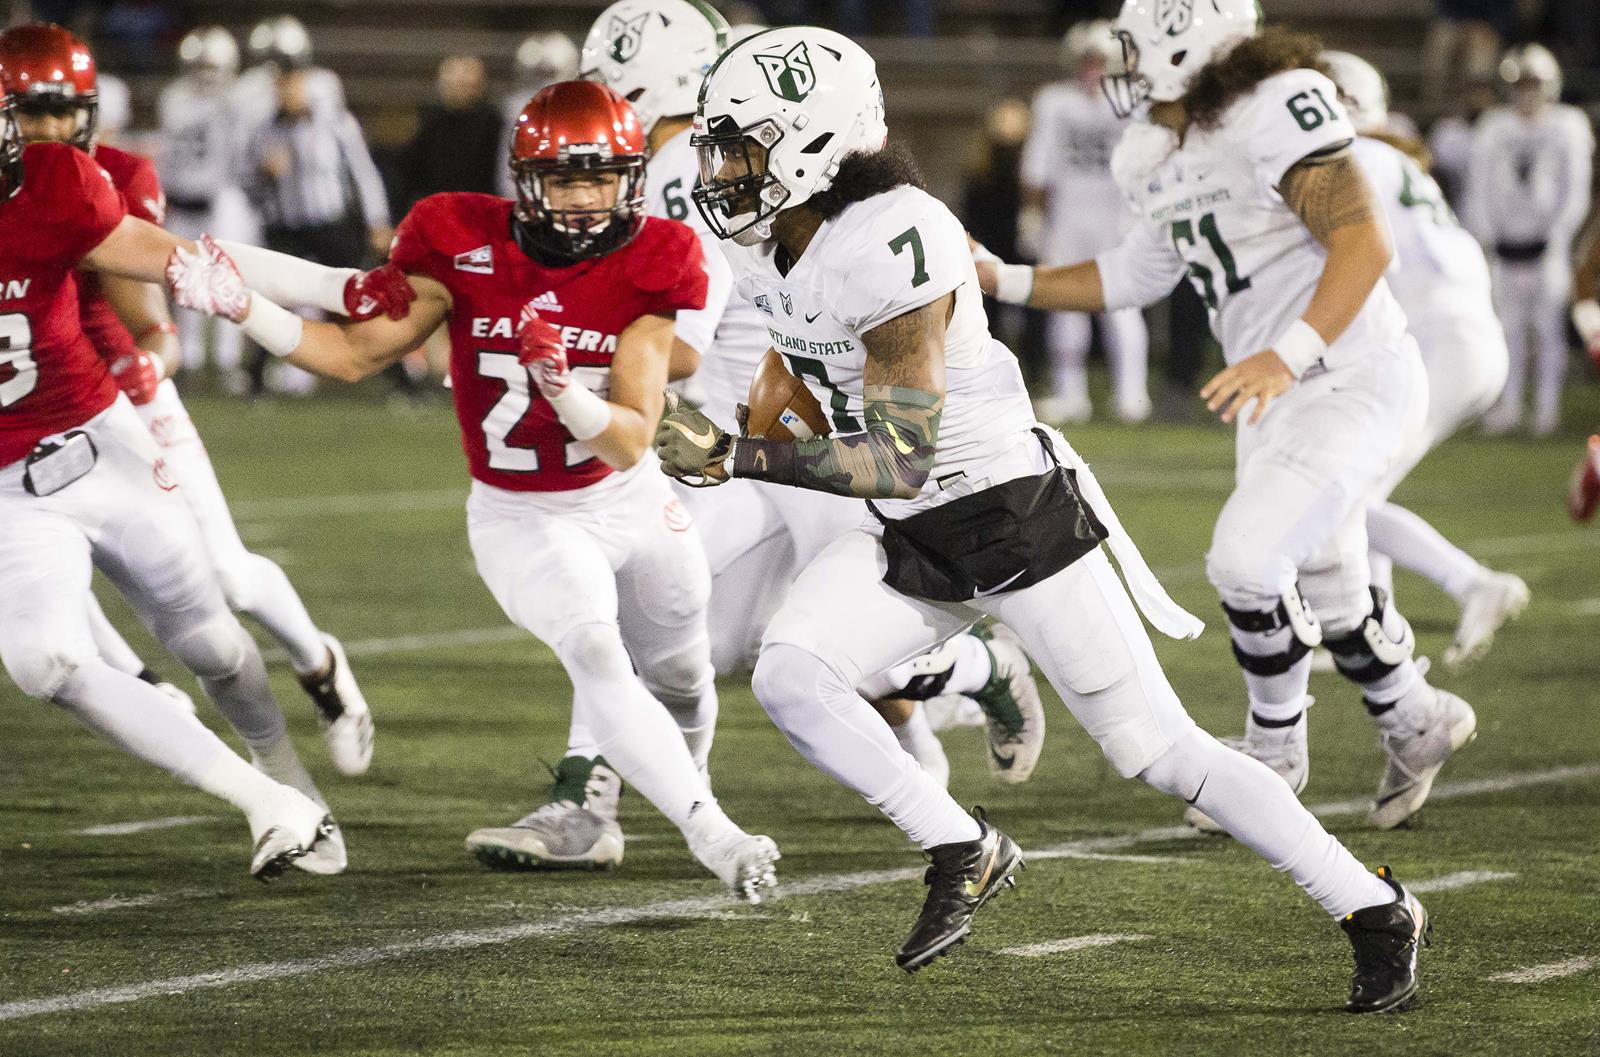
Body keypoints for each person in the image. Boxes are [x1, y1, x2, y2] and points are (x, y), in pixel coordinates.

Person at [657, 25, 1431, 1011]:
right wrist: (721, 426)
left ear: (813, 139)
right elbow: (794, 367)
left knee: (1160, 753)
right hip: (914, 537)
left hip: (1010, 521)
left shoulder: (898, 233)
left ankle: (1371, 906)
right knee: (792, 672)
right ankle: (959, 845)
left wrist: (740, 456)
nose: (723, 168)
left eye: (743, 143)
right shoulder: (777, 240)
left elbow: (899, 453)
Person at [171, 81, 782, 904]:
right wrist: (246, 305)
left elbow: (634, 433)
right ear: (526, 182)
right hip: (525, 514)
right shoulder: (463, 241)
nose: (585, 198)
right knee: (599, 650)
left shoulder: (656, 254)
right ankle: (712, 830)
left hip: (628, 496)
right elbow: (353, 352)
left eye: (602, 178)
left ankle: (688, 778)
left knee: (682, 674)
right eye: (566, 180)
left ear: (631, 179)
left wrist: (562, 388)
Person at [580, 0, 1045, 808]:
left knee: (801, 634)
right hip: (743, 438)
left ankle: (583, 796)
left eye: (607, 82)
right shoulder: (694, 167)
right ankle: (933, 718)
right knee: (722, 629)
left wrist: (575, 363)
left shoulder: (706, 176)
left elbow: (690, 335)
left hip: (785, 439)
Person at [0, 27, 366, 881]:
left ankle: (282, 761)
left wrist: (324, 291)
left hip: (103, 441)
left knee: (212, 643)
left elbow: (182, 261)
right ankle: (267, 802)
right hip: (10, 494)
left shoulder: (53, 183)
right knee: (42, 659)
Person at [1320, 50, 1528, 669]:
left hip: (1438, 338)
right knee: (1359, 490)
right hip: (1465, 335)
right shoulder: (1392, 157)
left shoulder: (1354, 161)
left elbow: (1353, 263)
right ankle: (1373, 629)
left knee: (1343, 497)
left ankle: (1472, 584)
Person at [1020, 19, 1149, 423]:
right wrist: (1032, 215)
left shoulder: (1137, 101)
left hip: (1119, 216)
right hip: (1069, 216)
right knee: (1065, 304)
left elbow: (1150, 162)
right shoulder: (1055, 101)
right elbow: (1037, 165)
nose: (1093, 70)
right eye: (1087, 61)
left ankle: (1132, 394)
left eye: (1101, 61)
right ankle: (1069, 393)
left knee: (1123, 304)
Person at [241, 60, 392, 397]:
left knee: (361, 294)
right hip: (287, 228)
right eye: (282, 86)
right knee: (271, 302)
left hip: (329, 225)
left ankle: (400, 374)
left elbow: (364, 174)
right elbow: (247, 185)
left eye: (293, 84)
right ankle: (256, 379)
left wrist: (377, 220)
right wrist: (264, 174)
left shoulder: (336, 124)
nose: (287, 93)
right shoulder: (265, 131)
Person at [1464, 44, 1593, 436]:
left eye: (1534, 82)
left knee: (1548, 329)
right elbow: (1478, 186)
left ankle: (1546, 409)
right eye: (1521, 83)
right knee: (1507, 330)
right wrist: (1486, 235)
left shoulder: (1568, 124)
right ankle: (1509, 405)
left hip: (1546, 244)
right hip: (1506, 245)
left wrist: (1559, 235)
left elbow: (1576, 189)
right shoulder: (1494, 127)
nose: (1527, 91)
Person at [159, 25, 253, 379]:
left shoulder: (233, 100)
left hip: (223, 196)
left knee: (229, 277)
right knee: (185, 279)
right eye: (199, 66)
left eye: (210, 67)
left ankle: (228, 358)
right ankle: (192, 357)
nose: (204, 75)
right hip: (183, 197)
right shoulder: (176, 97)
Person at [401, 55, 503, 206]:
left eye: (469, 83)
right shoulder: (431, 125)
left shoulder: (494, 124)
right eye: (459, 83)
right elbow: (413, 174)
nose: (465, 88)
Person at [497, 32, 579, 198]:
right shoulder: (516, 109)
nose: (545, 82)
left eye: (549, 73)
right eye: (541, 73)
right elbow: (506, 174)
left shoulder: (577, 107)